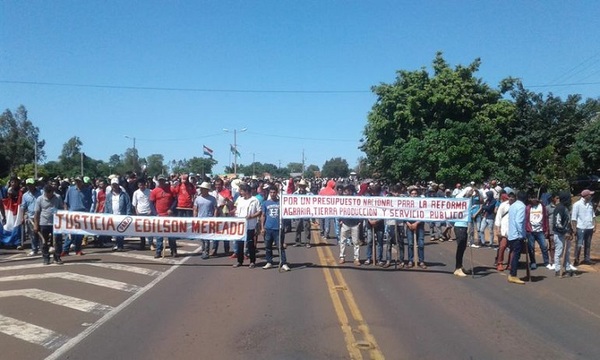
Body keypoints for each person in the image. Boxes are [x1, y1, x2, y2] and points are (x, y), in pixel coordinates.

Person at [260, 185, 291, 271]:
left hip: (278, 228)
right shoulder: (265, 203)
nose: (272, 194)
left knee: (280, 246)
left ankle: (283, 263)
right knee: (268, 246)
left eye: (274, 192)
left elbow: (286, 213)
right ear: (269, 193)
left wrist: (285, 226)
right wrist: (262, 227)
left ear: (276, 193)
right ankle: (269, 261)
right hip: (268, 227)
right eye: (271, 192)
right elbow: (263, 216)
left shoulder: (281, 203)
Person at [34, 184, 64, 265]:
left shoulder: (58, 197)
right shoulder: (40, 199)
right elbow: (37, 213)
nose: (48, 195)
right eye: (46, 193)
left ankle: (57, 257)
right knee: (44, 241)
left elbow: (62, 209)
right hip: (44, 223)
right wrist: (36, 225)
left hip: (55, 223)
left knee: (57, 240)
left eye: (50, 193)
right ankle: (46, 258)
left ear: (53, 192)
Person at [232, 183, 261, 268]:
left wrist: (251, 216)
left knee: (250, 244)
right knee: (239, 244)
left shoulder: (254, 200)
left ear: (246, 191)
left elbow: (259, 211)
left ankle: (252, 261)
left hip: (250, 225)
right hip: (240, 225)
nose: (240, 192)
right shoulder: (239, 199)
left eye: (241, 190)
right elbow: (236, 209)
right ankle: (239, 261)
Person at [62, 176, 92, 256]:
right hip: (72, 214)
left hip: (82, 214)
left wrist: (88, 212)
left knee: (80, 234)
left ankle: (78, 250)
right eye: (76, 181)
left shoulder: (87, 191)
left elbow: (89, 202)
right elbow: (66, 202)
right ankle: (65, 250)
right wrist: (66, 212)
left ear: (82, 182)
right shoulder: (70, 189)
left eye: (79, 181)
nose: (77, 183)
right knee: (70, 233)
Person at [150, 175, 178, 258]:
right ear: (158, 181)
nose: (161, 182)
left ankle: (173, 251)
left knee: (171, 235)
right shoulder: (155, 191)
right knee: (159, 236)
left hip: (169, 216)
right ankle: (158, 251)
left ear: (165, 180)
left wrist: (171, 209)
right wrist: (155, 213)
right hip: (159, 216)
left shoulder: (171, 189)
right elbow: (151, 203)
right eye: (160, 180)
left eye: (163, 180)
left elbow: (176, 200)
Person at [104, 178, 132, 251]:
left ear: (118, 185)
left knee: (121, 230)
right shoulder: (108, 195)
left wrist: (128, 214)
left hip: (121, 215)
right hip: (112, 215)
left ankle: (120, 245)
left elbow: (128, 205)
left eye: (116, 185)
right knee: (114, 231)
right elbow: (106, 205)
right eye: (113, 185)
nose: (114, 186)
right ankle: (117, 244)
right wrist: (106, 215)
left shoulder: (124, 195)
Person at [507, 191, 528, 284]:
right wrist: (522, 235)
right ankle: (513, 275)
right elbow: (519, 222)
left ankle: (512, 273)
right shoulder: (522, 207)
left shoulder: (513, 205)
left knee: (515, 254)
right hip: (517, 235)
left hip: (511, 234)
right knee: (516, 255)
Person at [571, 189, 596, 266]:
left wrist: (594, 225)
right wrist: (574, 229)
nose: (591, 196)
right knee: (579, 244)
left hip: (589, 227)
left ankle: (587, 259)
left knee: (588, 244)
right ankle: (576, 259)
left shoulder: (590, 204)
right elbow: (574, 218)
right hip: (580, 227)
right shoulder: (577, 204)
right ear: (586, 196)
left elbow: (593, 216)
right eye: (590, 195)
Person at [553, 191, 575, 276]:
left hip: (566, 234)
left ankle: (567, 268)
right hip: (559, 234)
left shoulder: (566, 208)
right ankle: (558, 270)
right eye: (569, 198)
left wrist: (570, 232)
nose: (570, 200)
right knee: (559, 252)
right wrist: (565, 232)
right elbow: (557, 223)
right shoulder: (559, 208)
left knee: (567, 252)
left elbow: (568, 221)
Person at [525, 194, 550, 269]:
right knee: (531, 248)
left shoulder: (542, 207)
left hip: (540, 231)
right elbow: (526, 219)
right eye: (531, 198)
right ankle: (533, 262)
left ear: (537, 199)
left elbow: (546, 219)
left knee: (544, 247)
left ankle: (546, 262)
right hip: (530, 231)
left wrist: (546, 230)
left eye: (534, 198)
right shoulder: (528, 208)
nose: (533, 200)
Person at [193, 181, 217, 259]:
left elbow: (215, 209)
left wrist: (214, 217)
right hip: (200, 220)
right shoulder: (198, 199)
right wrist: (194, 218)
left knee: (207, 237)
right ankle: (203, 249)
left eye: (203, 189)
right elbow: (195, 209)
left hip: (209, 220)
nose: (202, 190)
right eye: (201, 189)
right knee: (202, 237)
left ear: (207, 190)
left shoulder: (212, 199)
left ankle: (206, 251)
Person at [338, 184, 361, 266]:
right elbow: (339, 209)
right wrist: (340, 219)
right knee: (343, 241)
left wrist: (359, 220)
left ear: (351, 191)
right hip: (345, 223)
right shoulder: (343, 200)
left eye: (347, 191)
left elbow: (361, 210)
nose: (346, 192)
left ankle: (356, 258)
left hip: (355, 223)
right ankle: (342, 257)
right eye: (345, 191)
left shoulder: (356, 200)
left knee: (356, 242)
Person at [210, 178, 233, 256]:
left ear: (222, 185)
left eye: (219, 184)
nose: (217, 186)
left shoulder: (226, 192)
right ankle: (214, 249)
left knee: (225, 231)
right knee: (215, 231)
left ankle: (226, 249)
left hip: (224, 213)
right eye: (216, 184)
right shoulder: (213, 193)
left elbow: (231, 203)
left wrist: (227, 201)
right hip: (215, 213)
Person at [494, 190, 516, 271]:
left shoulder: (517, 206)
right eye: (510, 197)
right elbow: (498, 217)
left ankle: (510, 264)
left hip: (513, 230)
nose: (511, 199)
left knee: (513, 248)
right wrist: (498, 230)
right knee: (502, 246)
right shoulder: (503, 205)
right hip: (504, 230)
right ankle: (499, 263)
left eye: (513, 198)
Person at [406, 187, 426, 269]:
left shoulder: (421, 204)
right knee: (410, 244)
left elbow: (425, 214)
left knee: (420, 244)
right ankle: (410, 260)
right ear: (410, 195)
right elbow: (402, 214)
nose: (414, 195)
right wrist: (408, 223)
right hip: (409, 225)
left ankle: (421, 261)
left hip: (419, 225)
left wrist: (416, 223)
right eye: (412, 194)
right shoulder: (406, 204)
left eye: (415, 194)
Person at [132, 179, 155, 250]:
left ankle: (151, 243)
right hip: (140, 212)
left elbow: (153, 202)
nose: (141, 186)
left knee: (149, 229)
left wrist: (151, 210)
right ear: (138, 185)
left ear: (145, 184)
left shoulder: (150, 191)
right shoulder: (136, 193)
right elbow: (134, 203)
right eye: (140, 185)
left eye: (142, 184)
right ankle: (142, 244)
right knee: (141, 230)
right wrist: (136, 211)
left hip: (148, 212)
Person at [21, 178, 42, 255]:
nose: (30, 186)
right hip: (30, 217)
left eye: (32, 184)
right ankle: (34, 248)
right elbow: (23, 207)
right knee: (32, 234)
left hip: (41, 216)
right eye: (29, 185)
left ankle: (42, 248)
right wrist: (22, 217)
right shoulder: (25, 195)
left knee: (41, 233)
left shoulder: (41, 192)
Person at [293, 179, 312, 248]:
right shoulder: (295, 194)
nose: (302, 187)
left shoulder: (309, 194)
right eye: (301, 186)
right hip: (298, 213)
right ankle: (297, 241)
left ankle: (307, 242)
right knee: (297, 228)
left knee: (307, 228)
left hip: (306, 213)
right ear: (299, 186)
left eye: (303, 186)